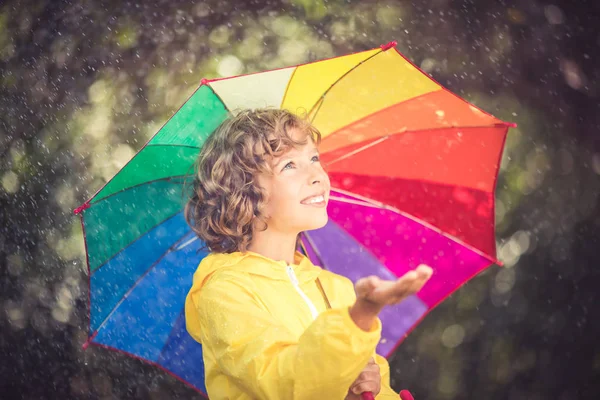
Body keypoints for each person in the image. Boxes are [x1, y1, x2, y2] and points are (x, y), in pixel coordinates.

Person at [184, 109, 433, 399]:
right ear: (244, 194)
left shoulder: (336, 288)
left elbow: (370, 388)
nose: (317, 175)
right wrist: (361, 317)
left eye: (314, 158)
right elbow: (283, 382)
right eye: (290, 165)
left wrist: (370, 389)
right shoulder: (225, 291)